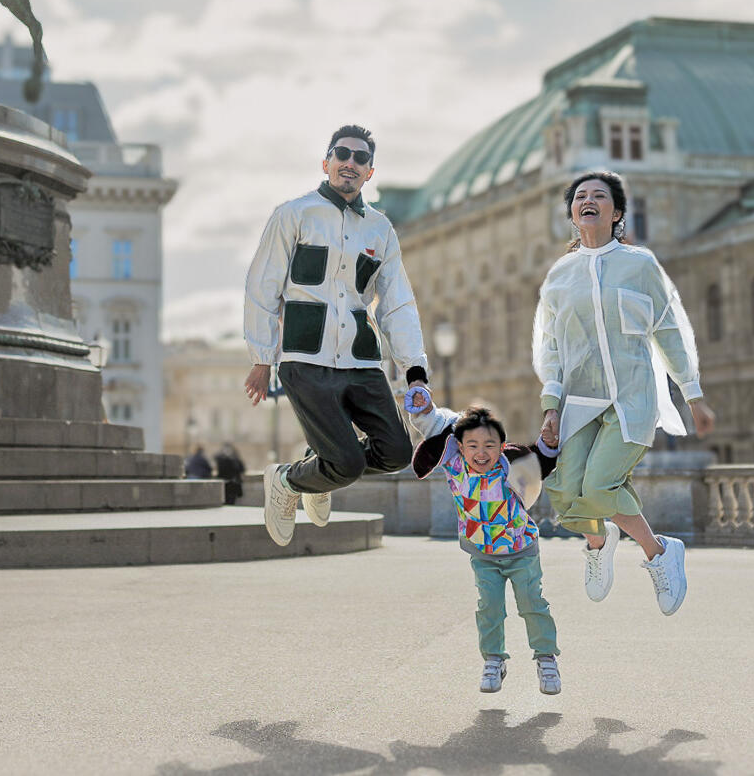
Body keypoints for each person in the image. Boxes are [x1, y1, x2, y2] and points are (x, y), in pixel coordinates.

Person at [533, 170, 716, 616]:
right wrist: (551, 406)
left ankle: (659, 552)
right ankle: (599, 540)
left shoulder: (640, 265)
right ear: (573, 214)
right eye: (580, 196)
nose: (588, 200)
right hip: (578, 401)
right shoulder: (559, 277)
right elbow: (551, 347)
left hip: (632, 399)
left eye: (599, 196)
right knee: (562, 493)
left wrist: (692, 393)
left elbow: (669, 329)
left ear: (616, 213)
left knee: (599, 486)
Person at [244, 124, 429, 546]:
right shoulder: (294, 214)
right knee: (344, 463)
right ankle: (289, 481)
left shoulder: (381, 229)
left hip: (361, 361)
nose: (350, 162)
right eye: (341, 154)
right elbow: (262, 285)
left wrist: (414, 370)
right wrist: (261, 357)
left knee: (398, 453)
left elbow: (398, 302)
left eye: (360, 158)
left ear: (370, 172)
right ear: (326, 162)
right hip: (305, 359)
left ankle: (309, 472)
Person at [405, 390, 562, 696]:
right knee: (489, 607)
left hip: (521, 550)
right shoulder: (453, 466)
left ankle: (546, 657)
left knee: (532, 603)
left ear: (501, 446)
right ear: (460, 448)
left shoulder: (508, 465)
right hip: (483, 554)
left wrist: (549, 443)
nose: (481, 452)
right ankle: (493, 659)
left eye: (489, 445)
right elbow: (435, 425)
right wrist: (423, 407)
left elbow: (540, 461)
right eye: (472, 445)